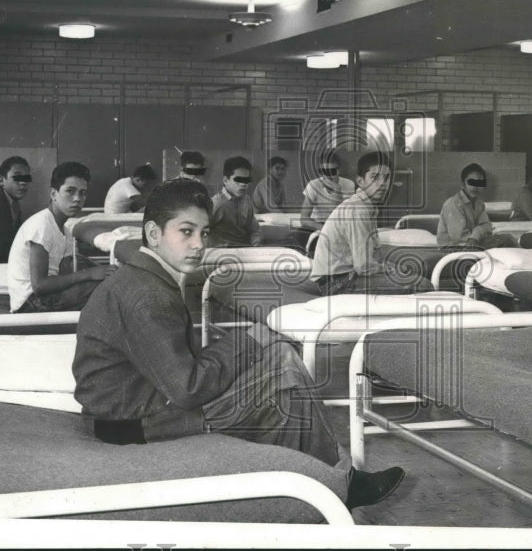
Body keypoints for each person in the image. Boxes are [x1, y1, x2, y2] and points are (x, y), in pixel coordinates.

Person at [72, 178, 405, 510]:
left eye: (204, 233)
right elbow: (187, 388)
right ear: (154, 234)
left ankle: (324, 483)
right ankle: (337, 484)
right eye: (186, 232)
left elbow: (178, 367)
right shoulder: (146, 294)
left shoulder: (145, 277)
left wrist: (247, 344)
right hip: (133, 424)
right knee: (282, 372)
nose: (199, 244)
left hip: (139, 407)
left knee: (278, 361)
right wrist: (246, 341)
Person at [311, 151, 433, 295]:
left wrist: (392, 267)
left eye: (386, 178)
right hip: (337, 282)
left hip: (343, 276)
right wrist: (389, 269)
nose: (382, 183)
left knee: (410, 273)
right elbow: (363, 266)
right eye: (375, 177)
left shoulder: (367, 206)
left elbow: (372, 255)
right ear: (360, 181)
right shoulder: (358, 209)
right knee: (422, 285)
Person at [7, 162, 114, 313]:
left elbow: (66, 269)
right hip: (29, 303)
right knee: (106, 289)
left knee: (109, 283)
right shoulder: (41, 225)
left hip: (46, 296)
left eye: (82, 193)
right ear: (53, 194)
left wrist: (101, 271)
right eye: (70, 191)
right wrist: (89, 274)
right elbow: (39, 286)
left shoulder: (65, 230)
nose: (77, 199)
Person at [437, 163, 518, 249]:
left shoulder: (479, 203)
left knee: (508, 239)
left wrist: (475, 235)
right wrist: (477, 236)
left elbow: (486, 225)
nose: (476, 187)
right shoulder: (453, 204)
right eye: (471, 182)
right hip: (453, 249)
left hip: (474, 243)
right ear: (463, 185)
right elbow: (460, 239)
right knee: (505, 242)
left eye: (479, 183)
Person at [208, 156, 263, 247]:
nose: (243, 184)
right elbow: (202, 232)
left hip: (246, 248)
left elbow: (255, 230)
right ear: (226, 181)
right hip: (224, 252)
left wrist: (256, 242)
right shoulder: (216, 204)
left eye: (246, 180)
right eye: (238, 180)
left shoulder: (246, 200)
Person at [299, 151, 356, 232]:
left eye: (332, 171)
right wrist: (325, 229)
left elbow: (344, 216)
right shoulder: (313, 185)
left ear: (338, 171)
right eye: (324, 171)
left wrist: (337, 191)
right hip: (317, 224)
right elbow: (304, 219)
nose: (328, 176)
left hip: (339, 224)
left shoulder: (349, 184)